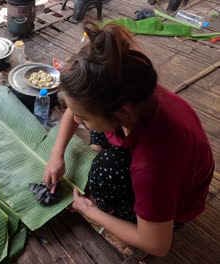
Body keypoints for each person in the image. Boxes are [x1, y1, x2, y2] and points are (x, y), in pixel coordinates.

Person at [43, 21, 214, 256]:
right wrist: (56, 155)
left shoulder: (151, 165)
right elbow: (76, 112)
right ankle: (98, 139)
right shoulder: (129, 89)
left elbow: (158, 245)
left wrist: (89, 211)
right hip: (159, 157)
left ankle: (120, 213)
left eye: (82, 117)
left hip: (177, 204)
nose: (77, 121)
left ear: (122, 112)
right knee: (97, 123)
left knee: (103, 171)